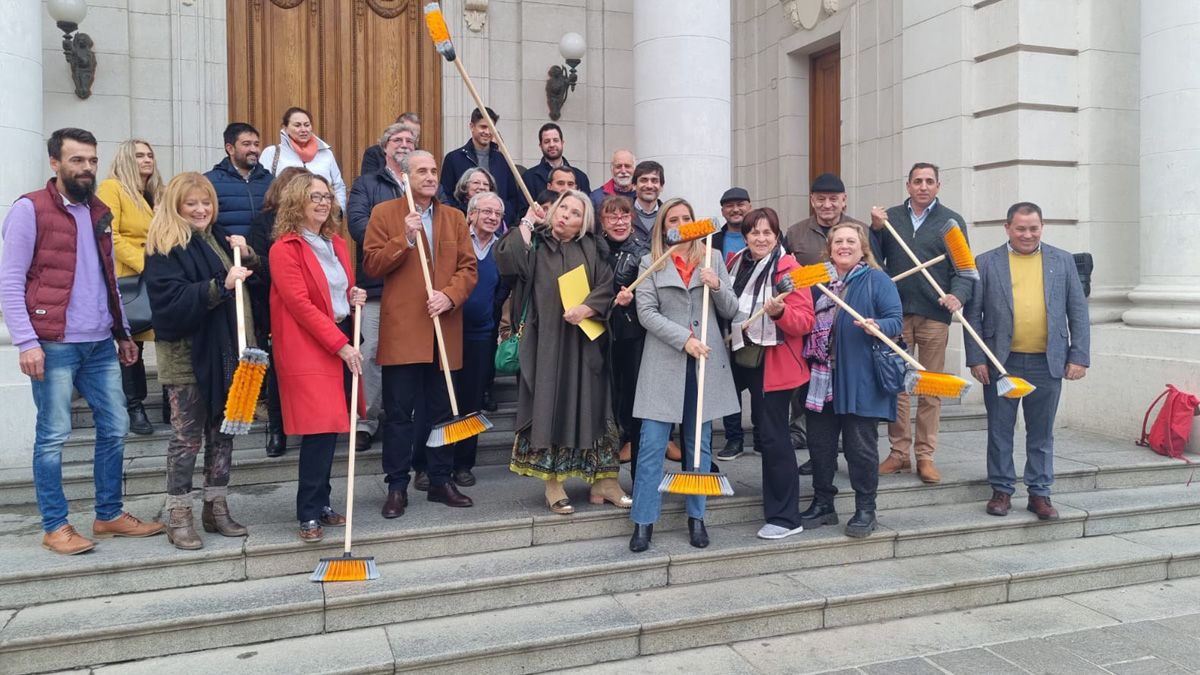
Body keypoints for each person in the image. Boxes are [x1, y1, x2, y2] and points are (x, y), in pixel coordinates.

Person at [1, 127, 163, 555]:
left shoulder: (99, 211)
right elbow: (10, 281)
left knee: (116, 426)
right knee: (53, 434)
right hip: (52, 342)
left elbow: (109, 278)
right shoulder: (29, 209)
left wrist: (123, 333)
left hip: (99, 344)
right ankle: (55, 525)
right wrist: (25, 341)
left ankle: (108, 514)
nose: (86, 168)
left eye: (91, 160)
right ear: (55, 163)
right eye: (77, 160)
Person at [495, 189, 628, 515]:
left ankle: (605, 482)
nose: (567, 214)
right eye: (563, 207)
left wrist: (587, 308)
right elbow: (508, 263)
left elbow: (606, 285)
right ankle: (552, 482)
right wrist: (527, 221)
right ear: (552, 210)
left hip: (585, 343)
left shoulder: (591, 247)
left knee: (598, 409)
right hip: (547, 344)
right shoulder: (535, 243)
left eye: (576, 212)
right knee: (549, 405)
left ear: (585, 222)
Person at [144, 172, 256, 550]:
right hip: (186, 357)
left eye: (205, 202)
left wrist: (248, 253)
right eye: (191, 203)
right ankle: (179, 514)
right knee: (187, 438)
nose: (201, 209)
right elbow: (168, 302)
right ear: (176, 205)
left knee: (223, 434)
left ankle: (216, 507)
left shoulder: (219, 238)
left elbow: (250, 279)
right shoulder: (164, 246)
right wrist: (217, 286)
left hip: (224, 354)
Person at [364, 150, 478, 517]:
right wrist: (405, 239)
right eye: (421, 171)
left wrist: (449, 295)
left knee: (443, 413)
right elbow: (372, 264)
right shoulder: (385, 215)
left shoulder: (455, 218)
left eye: (433, 171)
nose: (429, 176)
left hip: (444, 329)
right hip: (403, 332)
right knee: (399, 414)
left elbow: (468, 267)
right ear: (405, 177)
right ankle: (397, 485)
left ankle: (440, 479)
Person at [965, 202, 1090, 520]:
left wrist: (1079, 355)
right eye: (1020, 228)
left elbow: (1078, 311)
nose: (1027, 234)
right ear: (1007, 228)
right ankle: (1002, 491)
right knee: (1000, 429)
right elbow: (973, 316)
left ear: (1042, 227)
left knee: (1042, 431)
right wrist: (977, 358)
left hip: (1047, 363)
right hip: (1000, 362)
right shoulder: (987, 262)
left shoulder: (1061, 261)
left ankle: (1040, 494)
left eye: (1033, 228)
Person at [626, 197, 738, 552]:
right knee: (651, 445)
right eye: (672, 219)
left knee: (699, 446)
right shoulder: (651, 262)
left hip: (705, 363)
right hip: (664, 361)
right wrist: (684, 339)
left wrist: (716, 286)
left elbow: (732, 310)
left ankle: (697, 517)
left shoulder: (713, 258)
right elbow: (646, 313)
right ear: (663, 227)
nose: (680, 223)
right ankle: (644, 521)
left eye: (686, 217)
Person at [269, 172, 368, 542]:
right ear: (297, 201)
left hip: (339, 337)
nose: (324, 202)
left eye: (327, 196)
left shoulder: (336, 244)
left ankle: (322, 502)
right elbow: (300, 305)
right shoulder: (285, 248)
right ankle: (308, 511)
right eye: (315, 196)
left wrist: (352, 296)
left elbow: (335, 291)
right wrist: (340, 345)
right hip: (309, 347)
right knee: (318, 429)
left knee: (331, 430)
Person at [870, 162, 973, 484]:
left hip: (933, 316)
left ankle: (925, 456)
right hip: (896, 315)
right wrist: (874, 230)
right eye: (918, 181)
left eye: (929, 181)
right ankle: (899, 454)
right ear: (908, 185)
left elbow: (965, 270)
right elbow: (872, 260)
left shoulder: (950, 222)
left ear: (938, 186)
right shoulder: (891, 220)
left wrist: (957, 296)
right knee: (897, 388)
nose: (923, 186)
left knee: (930, 388)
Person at [801, 222, 903, 538]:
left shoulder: (876, 279)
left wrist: (878, 325)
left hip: (860, 377)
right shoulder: (817, 281)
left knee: (860, 447)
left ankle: (865, 508)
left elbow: (896, 321)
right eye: (838, 241)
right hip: (821, 376)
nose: (844, 246)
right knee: (819, 445)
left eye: (851, 241)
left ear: (863, 248)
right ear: (830, 247)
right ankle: (823, 504)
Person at [725, 207, 814, 539]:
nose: (760, 238)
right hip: (738, 353)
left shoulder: (790, 269)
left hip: (774, 361)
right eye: (754, 232)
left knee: (774, 438)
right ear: (745, 236)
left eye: (767, 232)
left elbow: (805, 321)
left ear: (777, 236)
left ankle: (786, 517)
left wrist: (780, 314)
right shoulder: (735, 263)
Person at [786, 172, 868, 473]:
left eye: (833, 199)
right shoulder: (795, 233)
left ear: (843, 200)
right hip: (811, 322)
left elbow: (873, 268)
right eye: (820, 199)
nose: (827, 204)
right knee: (811, 389)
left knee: (844, 387)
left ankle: (849, 449)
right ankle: (817, 450)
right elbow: (788, 275)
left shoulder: (860, 230)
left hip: (850, 322)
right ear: (812, 201)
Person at [346, 121, 417, 453]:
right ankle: (367, 420)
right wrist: (401, 239)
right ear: (385, 147)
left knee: (409, 354)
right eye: (397, 140)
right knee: (372, 351)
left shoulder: (423, 184)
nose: (404, 144)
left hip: (414, 288)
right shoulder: (366, 184)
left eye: (410, 140)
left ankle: (404, 415)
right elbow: (359, 226)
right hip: (376, 286)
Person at [96, 138, 163, 436]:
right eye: (139, 155)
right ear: (126, 159)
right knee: (130, 342)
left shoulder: (155, 194)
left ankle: (171, 407)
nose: (147, 160)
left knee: (168, 336)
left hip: (160, 276)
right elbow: (110, 235)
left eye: (149, 155)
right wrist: (144, 263)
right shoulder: (112, 188)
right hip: (130, 277)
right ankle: (134, 406)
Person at [247, 166, 308, 458]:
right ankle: (277, 429)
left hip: (309, 308)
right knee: (277, 371)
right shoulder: (264, 223)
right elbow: (257, 266)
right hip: (274, 306)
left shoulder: (311, 225)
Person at [454, 191, 510, 487]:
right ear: (471, 213)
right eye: (486, 212)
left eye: (497, 214)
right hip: (449, 333)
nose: (491, 217)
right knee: (441, 398)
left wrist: (491, 310)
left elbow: (504, 287)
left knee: (472, 401)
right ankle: (430, 462)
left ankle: (464, 463)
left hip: (481, 335)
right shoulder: (457, 242)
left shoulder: (501, 250)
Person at [601, 195, 649, 474]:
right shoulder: (594, 247)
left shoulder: (644, 251)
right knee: (605, 404)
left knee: (632, 404)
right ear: (602, 221)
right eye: (611, 217)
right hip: (600, 335)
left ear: (631, 218)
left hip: (633, 336)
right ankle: (604, 479)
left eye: (623, 216)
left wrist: (635, 298)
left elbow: (653, 295)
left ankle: (638, 478)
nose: (618, 222)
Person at [713, 186, 755, 462]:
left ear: (749, 206)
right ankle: (734, 438)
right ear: (722, 210)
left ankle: (762, 436)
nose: (735, 209)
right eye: (730, 205)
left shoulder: (762, 234)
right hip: (723, 317)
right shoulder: (712, 241)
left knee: (758, 377)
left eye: (741, 204)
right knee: (730, 382)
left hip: (757, 318)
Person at [440, 107, 523, 227]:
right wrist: (463, 218)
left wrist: (502, 218)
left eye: (491, 127)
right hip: (463, 227)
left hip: (496, 227)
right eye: (483, 127)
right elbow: (446, 196)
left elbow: (512, 198)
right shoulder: (453, 159)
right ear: (472, 127)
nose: (487, 132)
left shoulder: (503, 160)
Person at [260, 106, 347, 208]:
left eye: (307, 125)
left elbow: (338, 186)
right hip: (283, 217)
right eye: (297, 125)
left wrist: (339, 210)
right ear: (285, 128)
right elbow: (261, 186)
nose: (303, 130)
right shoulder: (272, 153)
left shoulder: (326, 154)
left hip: (322, 218)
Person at [205, 122, 274, 239]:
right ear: (230, 148)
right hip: (227, 252)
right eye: (246, 144)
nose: (253, 149)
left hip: (262, 254)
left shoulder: (271, 182)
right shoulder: (210, 182)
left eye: (256, 144)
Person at [522, 122, 591, 198]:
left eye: (555, 140)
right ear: (540, 146)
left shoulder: (581, 177)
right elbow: (524, 209)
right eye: (547, 141)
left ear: (562, 143)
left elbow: (587, 208)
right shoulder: (529, 178)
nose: (552, 145)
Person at [361, 111, 421, 176]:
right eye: (399, 139)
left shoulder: (421, 157)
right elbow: (369, 182)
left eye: (414, 137)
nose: (405, 145)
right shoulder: (374, 153)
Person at [631, 161, 664, 239]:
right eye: (644, 180)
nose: (649, 186)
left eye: (654, 180)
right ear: (634, 185)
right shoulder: (622, 215)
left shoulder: (669, 215)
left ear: (661, 186)